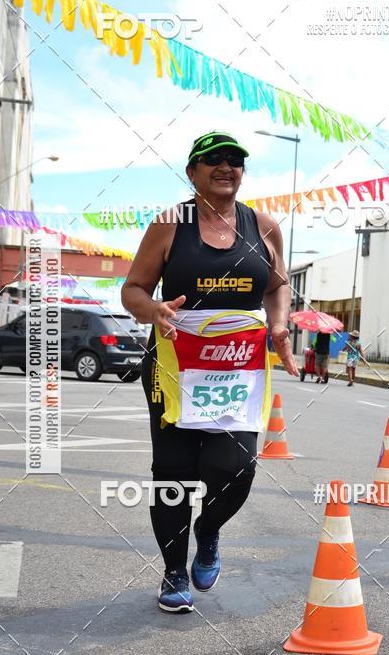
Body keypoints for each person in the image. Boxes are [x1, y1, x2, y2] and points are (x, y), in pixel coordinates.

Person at [121, 131, 298, 614]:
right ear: (192, 172)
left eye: (235, 160)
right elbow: (133, 289)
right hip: (174, 366)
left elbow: (277, 285)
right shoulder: (169, 225)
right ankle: (174, 571)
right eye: (213, 159)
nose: (226, 166)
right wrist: (153, 309)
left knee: (236, 467)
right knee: (173, 471)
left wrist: (279, 324)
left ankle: (209, 528)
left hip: (238, 368)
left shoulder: (263, 225)